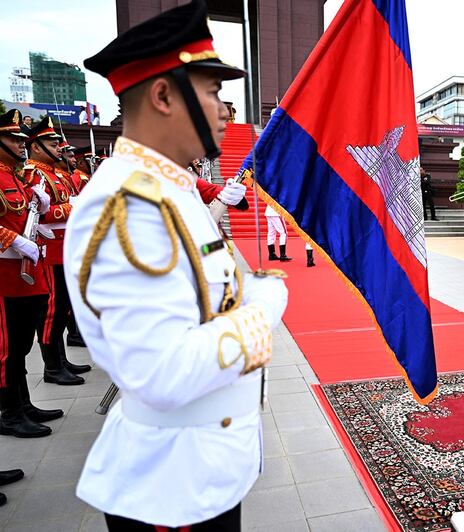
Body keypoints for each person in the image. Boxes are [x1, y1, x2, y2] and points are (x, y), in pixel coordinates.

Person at [65, 1, 288, 529]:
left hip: (202, 463)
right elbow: (160, 373)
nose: (223, 109)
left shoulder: (171, 189)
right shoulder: (128, 204)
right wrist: (266, 310)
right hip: (171, 486)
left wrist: (247, 291)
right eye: (211, 92)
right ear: (164, 95)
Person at [0, 109, 64, 442]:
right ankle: (10, 412)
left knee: (21, 346)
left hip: (27, 273)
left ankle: (23, 403)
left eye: (22, 138)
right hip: (7, 277)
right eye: (12, 138)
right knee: (9, 348)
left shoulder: (16, 176)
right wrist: (14, 241)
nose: (20, 144)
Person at [22, 117, 89, 385]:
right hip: (48, 249)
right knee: (52, 310)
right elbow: (39, 214)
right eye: (52, 142)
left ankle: (60, 359)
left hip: (64, 247)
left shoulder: (55, 173)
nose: (59, 147)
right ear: (36, 146)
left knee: (62, 308)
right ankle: (52, 365)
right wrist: (75, 206)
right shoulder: (33, 173)